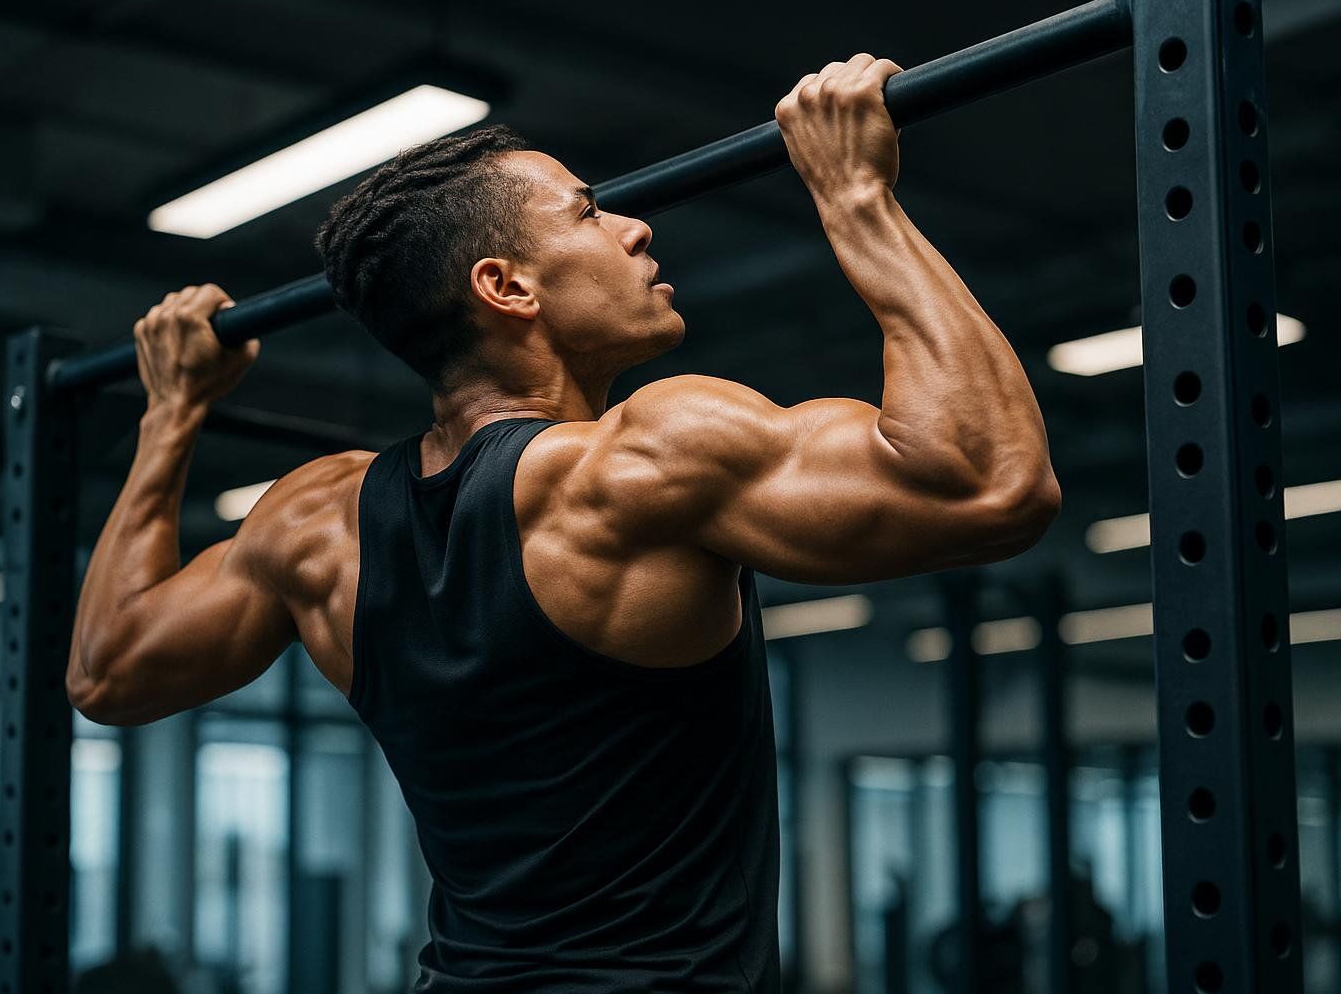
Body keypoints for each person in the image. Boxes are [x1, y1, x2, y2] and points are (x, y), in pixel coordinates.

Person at [67, 54, 1060, 992]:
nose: (632, 229)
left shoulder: (316, 524)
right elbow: (991, 482)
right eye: (588, 210)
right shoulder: (644, 459)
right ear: (506, 287)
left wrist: (170, 417)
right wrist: (856, 199)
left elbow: (107, 670)